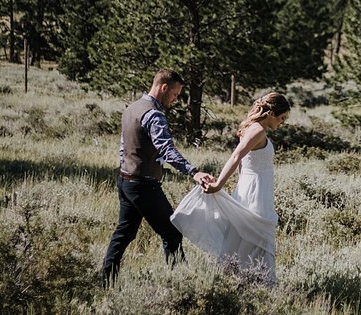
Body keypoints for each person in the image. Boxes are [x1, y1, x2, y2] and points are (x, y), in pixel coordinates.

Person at [101, 68, 214, 286]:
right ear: (164, 88)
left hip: (125, 181)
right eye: (175, 94)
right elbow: (166, 149)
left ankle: (107, 282)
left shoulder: (131, 108)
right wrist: (193, 171)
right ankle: (180, 287)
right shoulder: (154, 114)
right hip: (144, 185)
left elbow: (125, 148)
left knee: (124, 234)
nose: (176, 99)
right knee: (173, 233)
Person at [171, 92, 291, 284]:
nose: (283, 122)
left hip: (255, 189)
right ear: (271, 113)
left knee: (246, 238)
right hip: (255, 193)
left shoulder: (254, 128)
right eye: (282, 117)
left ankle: (240, 281)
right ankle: (261, 285)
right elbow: (236, 157)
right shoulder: (257, 130)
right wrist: (219, 184)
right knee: (254, 238)